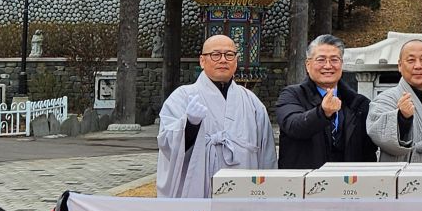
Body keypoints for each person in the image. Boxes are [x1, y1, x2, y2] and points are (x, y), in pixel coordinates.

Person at [157, 34, 275, 197]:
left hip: (244, 182)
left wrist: (268, 187)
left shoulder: (251, 101)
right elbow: (166, 144)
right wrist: (190, 125)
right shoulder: (183, 96)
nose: (223, 60)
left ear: (236, 60)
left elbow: (266, 149)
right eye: (215, 54)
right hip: (200, 179)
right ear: (202, 60)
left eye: (229, 55)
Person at [275, 34, 376, 169]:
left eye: (334, 60)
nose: (328, 66)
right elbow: (294, 126)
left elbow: (369, 151)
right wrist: (323, 113)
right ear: (308, 64)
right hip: (304, 184)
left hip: (348, 184)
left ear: (341, 64)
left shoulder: (358, 104)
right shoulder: (292, 95)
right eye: (321, 60)